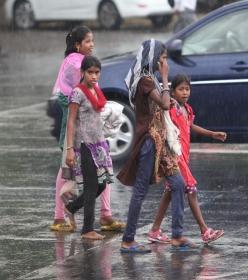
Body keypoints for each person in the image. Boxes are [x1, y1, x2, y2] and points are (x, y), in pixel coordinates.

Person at [50, 26, 124, 233]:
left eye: (93, 40)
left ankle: (104, 214)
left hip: (91, 128)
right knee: (69, 167)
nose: (92, 44)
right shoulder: (77, 64)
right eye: (88, 41)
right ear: (77, 44)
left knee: (102, 169)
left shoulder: (76, 61)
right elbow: (80, 100)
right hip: (79, 128)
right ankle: (61, 216)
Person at [118, 39, 190, 253]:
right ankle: (128, 240)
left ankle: (177, 235)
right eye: (163, 58)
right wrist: (166, 78)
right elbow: (165, 104)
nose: (165, 62)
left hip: (162, 141)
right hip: (149, 141)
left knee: (178, 184)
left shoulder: (150, 80)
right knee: (140, 191)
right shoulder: (146, 81)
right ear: (154, 58)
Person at [148, 74, 226, 244]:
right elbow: (164, 107)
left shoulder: (187, 109)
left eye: (187, 89)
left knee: (170, 192)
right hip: (175, 157)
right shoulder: (172, 108)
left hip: (184, 156)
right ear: (173, 92)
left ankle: (154, 230)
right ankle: (205, 231)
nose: (185, 93)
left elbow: (190, 126)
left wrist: (212, 134)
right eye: (181, 89)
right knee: (191, 189)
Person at [64, 55, 114, 240]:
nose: (94, 76)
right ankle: (87, 230)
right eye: (90, 72)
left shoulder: (96, 90)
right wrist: (70, 148)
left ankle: (72, 207)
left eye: (97, 72)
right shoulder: (78, 93)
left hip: (98, 143)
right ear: (82, 72)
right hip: (83, 144)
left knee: (101, 185)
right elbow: (70, 122)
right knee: (92, 185)